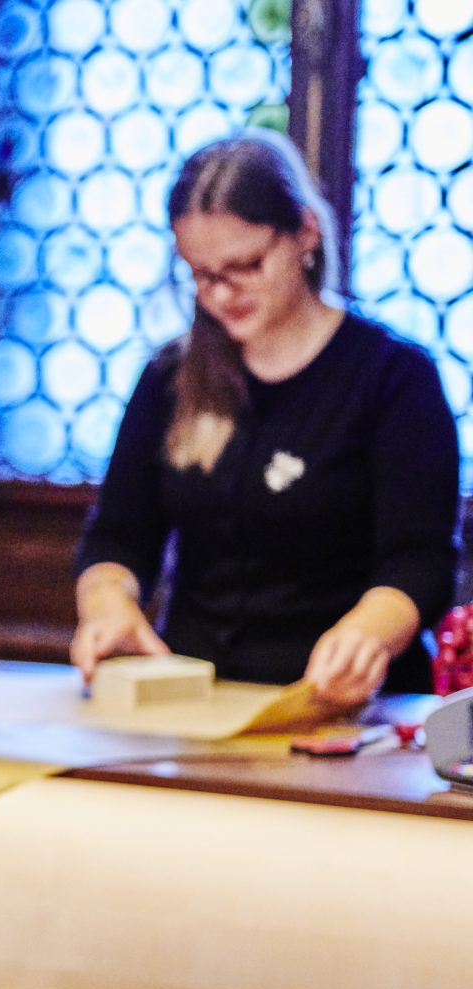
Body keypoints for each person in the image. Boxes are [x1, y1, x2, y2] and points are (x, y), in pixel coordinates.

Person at [72, 131, 462, 701]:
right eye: (203, 275)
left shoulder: (393, 376)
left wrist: (370, 631)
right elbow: (118, 537)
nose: (223, 294)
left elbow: (420, 561)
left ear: (304, 233)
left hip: (343, 705)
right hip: (198, 703)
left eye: (245, 265)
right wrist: (107, 601)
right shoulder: (170, 377)